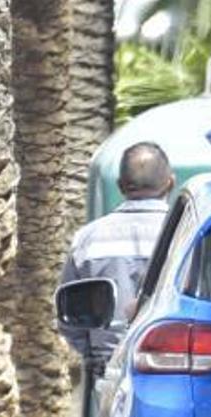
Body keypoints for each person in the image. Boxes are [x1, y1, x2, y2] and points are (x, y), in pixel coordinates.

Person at [61, 142, 174, 363]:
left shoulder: (88, 239)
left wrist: (97, 355)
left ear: (121, 186)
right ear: (170, 183)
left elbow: (70, 316)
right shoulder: (185, 231)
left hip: (108, 365)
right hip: (170, 365)